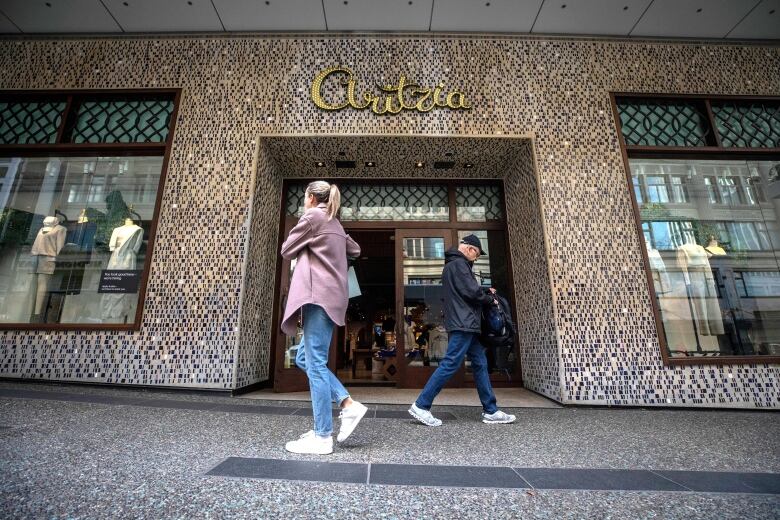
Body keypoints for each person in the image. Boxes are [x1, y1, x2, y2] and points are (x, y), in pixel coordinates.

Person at [280, 180, 368, 455]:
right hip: (334, 297)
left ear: (309, 197)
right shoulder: (334, 222)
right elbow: (355, 250)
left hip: (318, 295)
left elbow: (286, 250)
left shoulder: (313, 216)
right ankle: (346, 403)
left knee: (315, 362)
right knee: (305, 358)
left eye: (304, 196)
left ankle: (322, 436)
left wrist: (311, 242)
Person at [409, 234, 516, 426]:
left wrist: (483, 292)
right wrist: (489, 298)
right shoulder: (459, 265)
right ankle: (421, 405)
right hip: (463, 323)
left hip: (466, 322)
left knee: (480, 362)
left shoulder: (455, 265)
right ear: (468, 248)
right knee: (451, 363)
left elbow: (467, 291)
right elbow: (471, 292)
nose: (476, 257)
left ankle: (490, 410)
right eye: (476, 252)